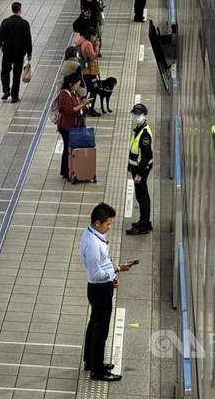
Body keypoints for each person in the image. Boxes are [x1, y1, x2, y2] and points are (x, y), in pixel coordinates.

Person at [80, 202, 135, 382]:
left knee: (94, 324)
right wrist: (117, 269)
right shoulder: (93, 245)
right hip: (99, 289)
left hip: (101, 286)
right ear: (97, 223)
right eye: (108, 224)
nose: (110, 227)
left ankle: (90, 360)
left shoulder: (92, 235)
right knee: (100, 331)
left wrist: (112, 276)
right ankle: (97, 369)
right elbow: (96, 273)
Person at [0, 2, 33, 103]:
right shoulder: (24, 24)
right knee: (16, 74)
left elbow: (0, 37)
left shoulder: (5, 22)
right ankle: (15, 96)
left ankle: (6, 90)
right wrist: (29, 53)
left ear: (12, 9)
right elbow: (28, 39)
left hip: (7, 52)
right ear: (20, 10)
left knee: (5, 71)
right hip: (19, 54)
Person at [126, 103, 154, 235]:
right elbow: (134, 150)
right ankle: (144, 222)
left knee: (142, 197)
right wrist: (130, 165)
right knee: (142, 196)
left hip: (141, 170)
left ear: (145, 116)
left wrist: (139, 174)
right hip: (136, 168)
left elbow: (146, 156)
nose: (135, 117)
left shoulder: (145, 134)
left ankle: (144, 225)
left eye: (138, 115)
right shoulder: (138, 129)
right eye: (134, 114)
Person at [57, 73, 91, 178]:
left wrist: (84, 105)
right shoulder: (65, 95)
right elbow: (69, 111)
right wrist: (82, 104)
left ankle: (71, 168)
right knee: (68, 148)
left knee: (71, 148)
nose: (78, 87)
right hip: (66, 126)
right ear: (71, 84)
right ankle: (66, 170)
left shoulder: (74, 93)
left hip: (75, 125)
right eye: (77, 85)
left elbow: (78, 104)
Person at [74, 28, 101, 117]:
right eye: (95, 37)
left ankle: (83, 106)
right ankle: (89, 108)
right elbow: (92, 56)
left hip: (81, 69)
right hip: (88, 71)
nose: (95, 39)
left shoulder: (79, 40)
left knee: (86, 89)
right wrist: (96, 46)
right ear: (91, 35)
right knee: (94, 88)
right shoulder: (88, 44)